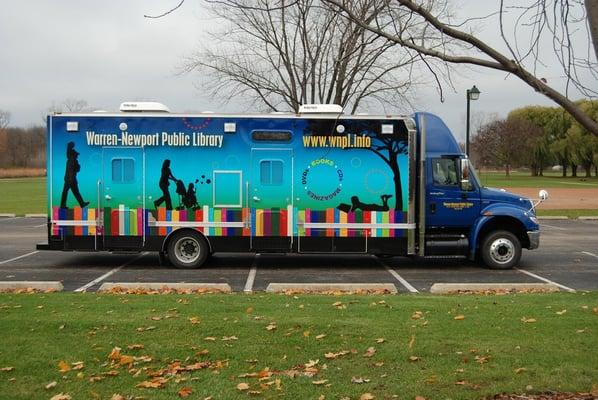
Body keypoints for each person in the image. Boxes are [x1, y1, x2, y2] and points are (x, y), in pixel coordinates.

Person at [60, 141, 89, 209]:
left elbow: (77, 169)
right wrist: (70, 145)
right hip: (70, 179)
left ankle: (82, 203)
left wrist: (78, 166)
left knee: (73, 192)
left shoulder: (71, 160)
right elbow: (77, 169)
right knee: (67, 192)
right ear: (73, 154)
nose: (77, 156)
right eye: (76, 154)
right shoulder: (71, 159)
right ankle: (63, 205)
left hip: (71, 179)